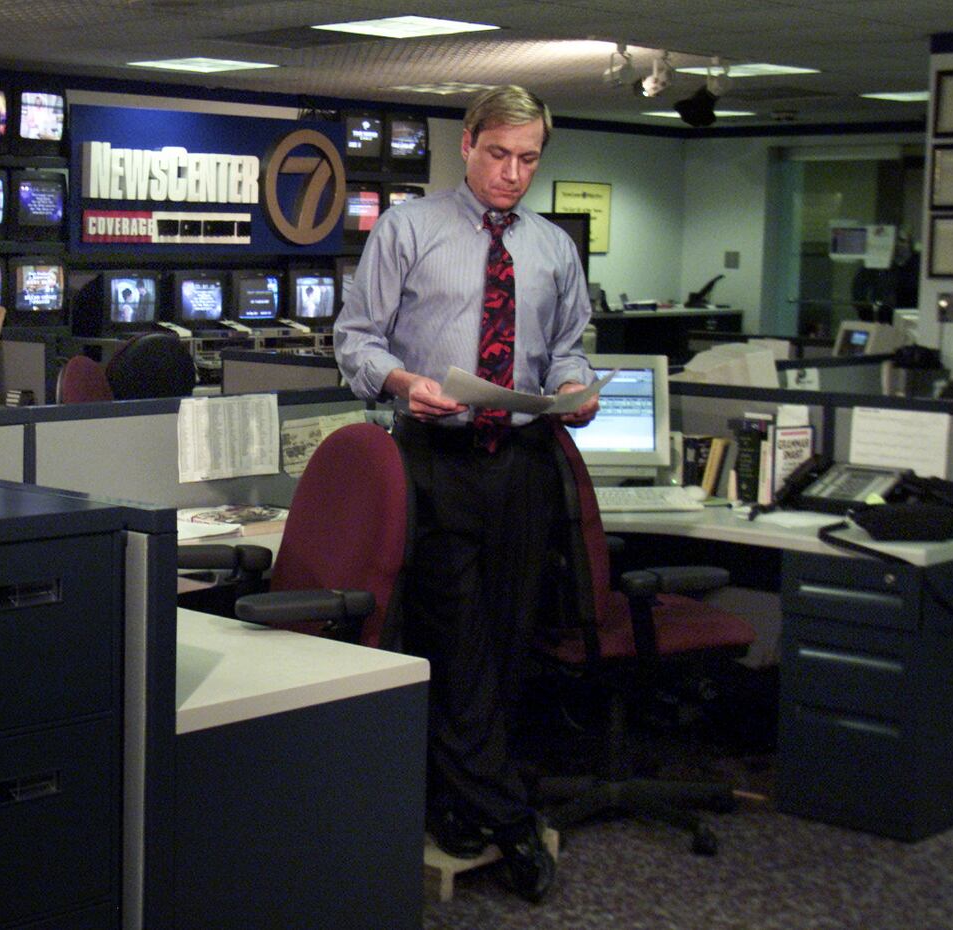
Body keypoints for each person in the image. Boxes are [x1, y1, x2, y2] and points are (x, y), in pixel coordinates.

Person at [334, 85, 599, 904]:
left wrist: (577, 387)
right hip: (436, 456)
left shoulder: (553, 248)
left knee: (511, 635)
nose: (513, 173)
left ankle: (462, 802)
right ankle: (510, 818)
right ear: (468, 143)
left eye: (529, 159)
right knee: (456, 637)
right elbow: (356, 341)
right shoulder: (408, 229)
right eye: (499, 154)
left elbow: (567, 349)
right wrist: (405, 382)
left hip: (521, 460)